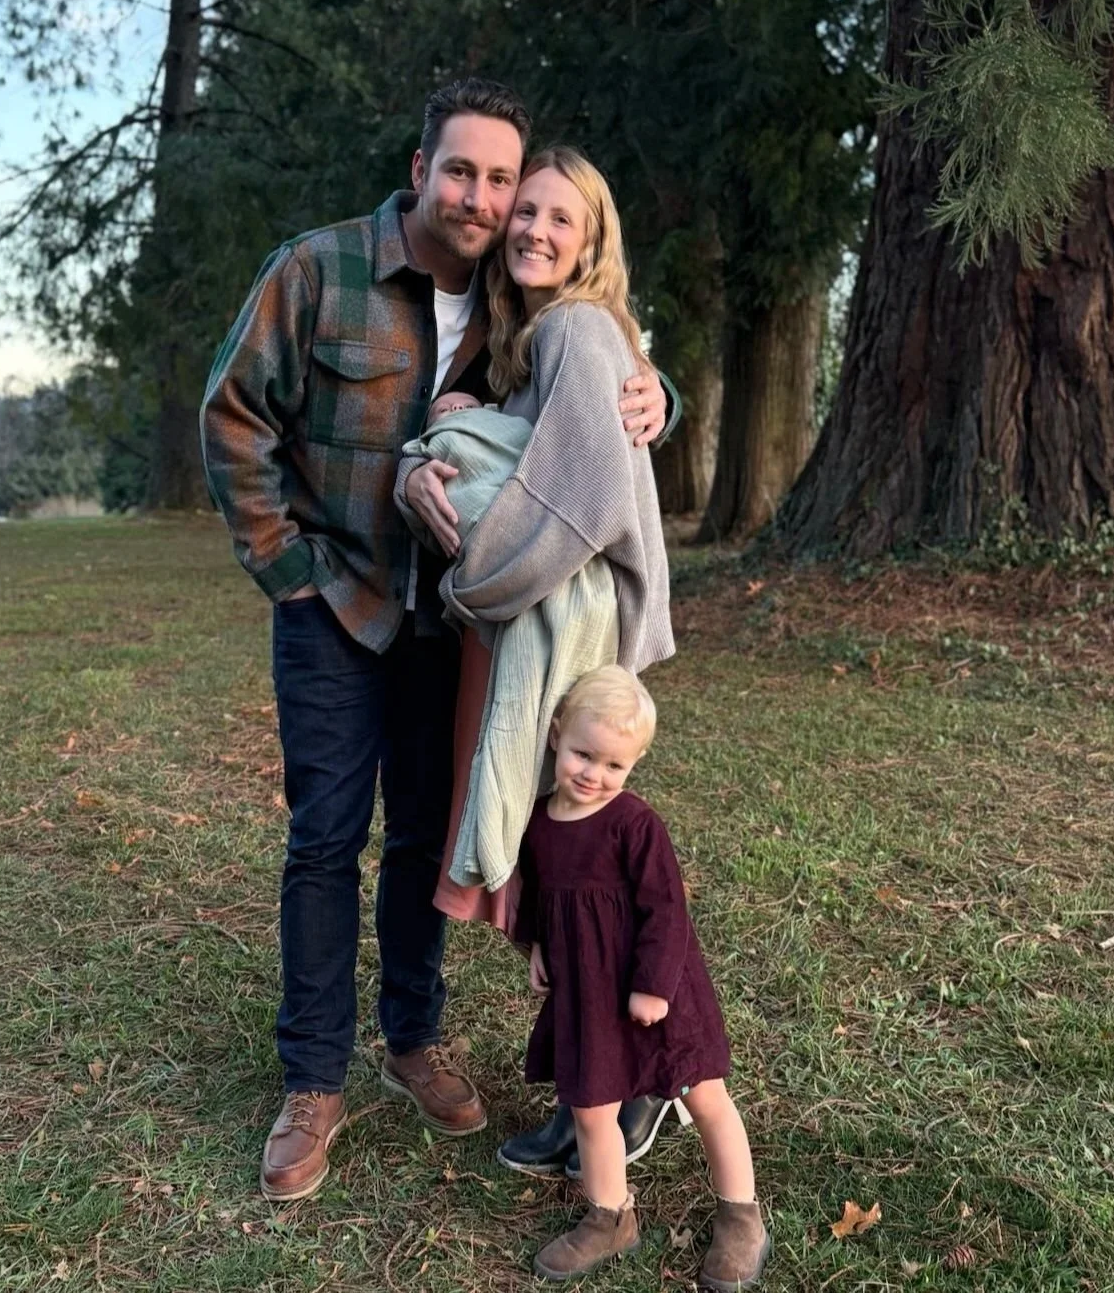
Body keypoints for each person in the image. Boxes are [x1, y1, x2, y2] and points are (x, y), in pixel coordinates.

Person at [200, 77, 674, 1203]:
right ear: (421, 171)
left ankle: (412, 1036)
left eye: (502, 180)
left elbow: (593, 381)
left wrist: (663, 393)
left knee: (426, 834)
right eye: (462, 171)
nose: (483, 198)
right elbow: (233, 414)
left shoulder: (517, 303)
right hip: (336, 605)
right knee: (325, 838)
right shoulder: (319, 270)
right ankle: (313, 1080)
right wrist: (290, 572)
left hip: (446, 621)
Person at [398, 145, 686, 1177]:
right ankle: (591, 1086)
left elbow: (585, 493)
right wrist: (474, 423)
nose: (534, 229)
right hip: (543, 621)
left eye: (563, 218)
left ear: (593, 239)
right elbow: (554, 451)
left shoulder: (574, 327)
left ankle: (637, 1084)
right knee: (561, 868)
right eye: (527, 212)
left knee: (580, 871)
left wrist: (475, 578)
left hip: (556, 623)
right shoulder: (540, 339)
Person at [516, 667, 769, 1288]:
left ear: (634, 764)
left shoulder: (633, 823)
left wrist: (654, 985)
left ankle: (741, 1215)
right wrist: (537, 945)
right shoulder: (540, 821)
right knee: (591, 1106)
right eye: (583, 754)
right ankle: (610, 1217)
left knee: (704, 1095)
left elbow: (666, 908)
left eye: (614, 765)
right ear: (556, 735)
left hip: (655, 989)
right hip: (587, 991)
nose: (594, 775)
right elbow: (540, 893)